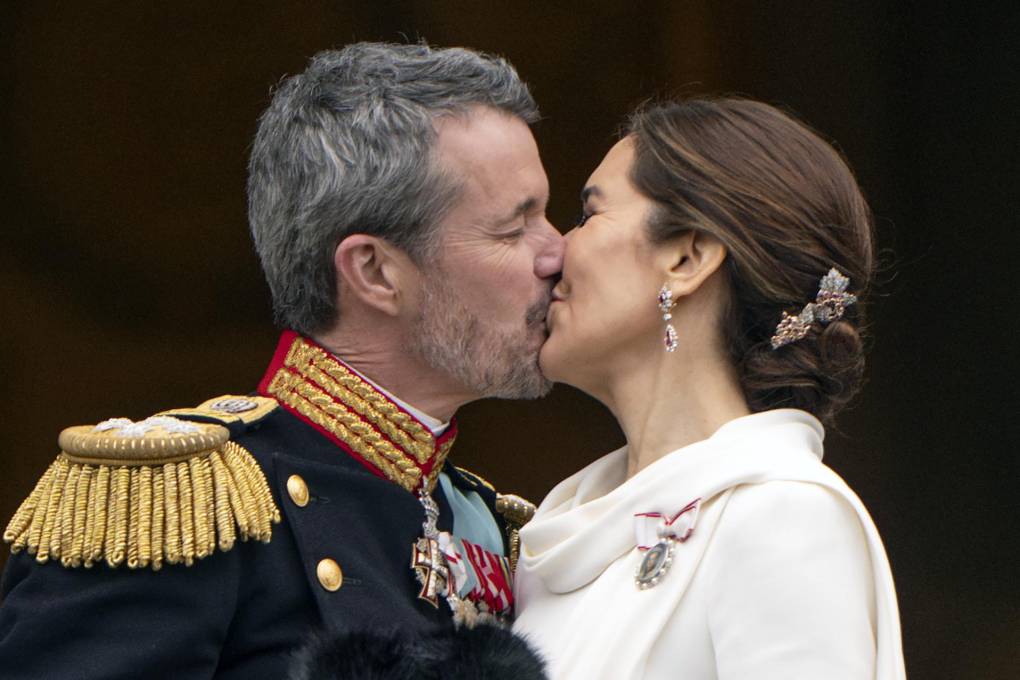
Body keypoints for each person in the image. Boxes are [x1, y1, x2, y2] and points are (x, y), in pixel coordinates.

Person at [0, 42, 561, 679]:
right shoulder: (185, 502)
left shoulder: (488, 521)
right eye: (514, 230)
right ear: (375, 271)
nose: (558, 253)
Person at [512, 97, 906, 679]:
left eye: (588, 215)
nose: (553, 251)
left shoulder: (782, 517)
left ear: (687, 257)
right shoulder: (558, 537)